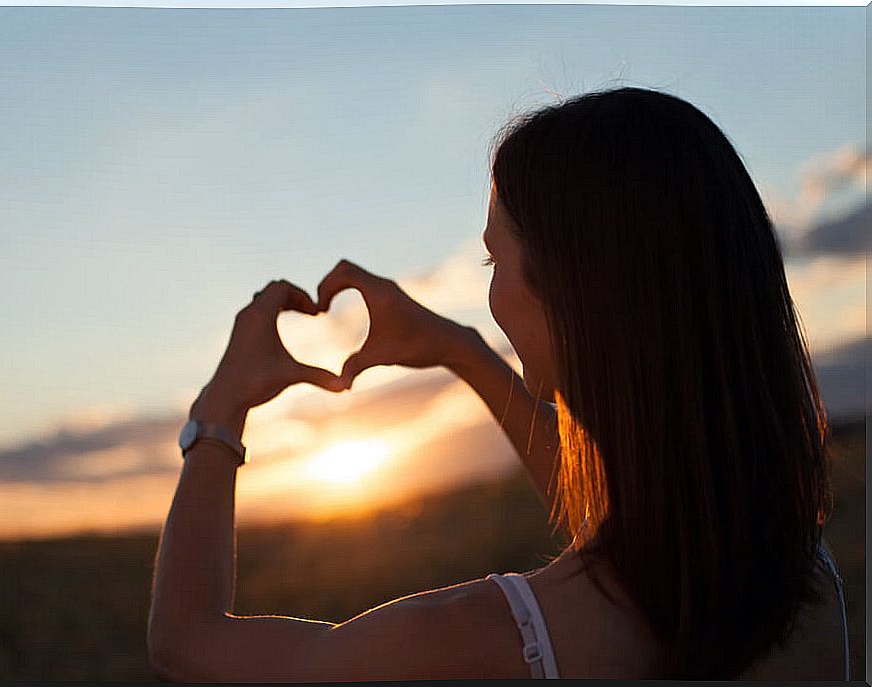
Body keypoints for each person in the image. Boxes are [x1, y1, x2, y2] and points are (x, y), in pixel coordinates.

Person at [147, 86, 849, 681]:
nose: (491, 289)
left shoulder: (489, 641)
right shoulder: (803, 578)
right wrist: (462, 350)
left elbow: (187, 639)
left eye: (493, 261)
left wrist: (220, 410)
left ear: (574, 297)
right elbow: (625, 516)